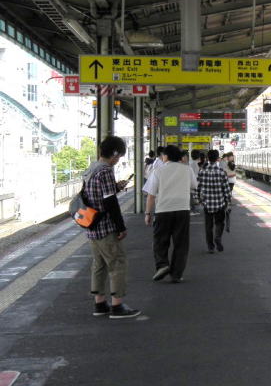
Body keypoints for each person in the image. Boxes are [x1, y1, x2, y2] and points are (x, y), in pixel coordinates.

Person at [83, 135, 141, 319]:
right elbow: (110, 203)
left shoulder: (92, 168)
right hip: (106, 226)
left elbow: (96, 195)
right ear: (114, 153)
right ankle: (117, 305)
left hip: (92, 225)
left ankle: (99, 303)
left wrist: (116, 187)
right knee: (117, 263)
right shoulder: (106, 170)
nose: (118, 160)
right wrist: (121, 227)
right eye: (119, 156)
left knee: (99, 264)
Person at [144, 145, 197, 283]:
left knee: (160, 240)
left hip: (163, 210)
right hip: (182, 210)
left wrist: (148, 213)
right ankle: (176, 274)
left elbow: (151, 196)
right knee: (181, 243)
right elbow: (194, 186)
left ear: (165, 156)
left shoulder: (158, 171)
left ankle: (162, 265)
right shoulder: (187, 169)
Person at [196, 149, 231, 253]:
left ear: (208, 158)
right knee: (220, 223)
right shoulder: (221, 172)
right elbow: (226, 189)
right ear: (217, 159)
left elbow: (198, 187)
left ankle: (210, 247)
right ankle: (218, 237)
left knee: (208, 226)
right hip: (220, 203)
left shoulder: (202, 172)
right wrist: (228, 201)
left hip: (207, 204)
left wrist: (199, 199)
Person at [221, 152, 236, 232]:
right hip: (230, 180)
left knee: (229, 192)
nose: (232, 158)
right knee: (228, 192)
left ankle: (228, 204)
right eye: (232, 156)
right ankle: (228, 205)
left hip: (230, 180)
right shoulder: (227, 163)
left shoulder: (229, 163)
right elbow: (229, 172)